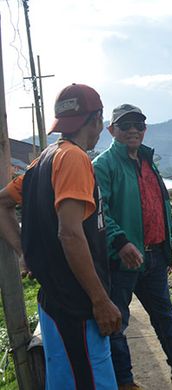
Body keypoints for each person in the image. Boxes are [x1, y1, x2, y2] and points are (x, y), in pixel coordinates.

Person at [0, 83, 121, 389]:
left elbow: (3, 203)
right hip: (77, 306)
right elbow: (70, 233)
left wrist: (23, 252)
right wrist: (100, 300)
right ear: (95, 120)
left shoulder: (43, 161)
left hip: (53, 301)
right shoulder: (75, 159)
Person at [92, 104, 172, 389]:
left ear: (145, 130)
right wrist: (120, 241)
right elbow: (100, 211)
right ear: (112, 130)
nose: (133, 130)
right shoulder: (103, 165)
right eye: (125, 126)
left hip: (155, 257)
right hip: (122, 260)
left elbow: (162, 205)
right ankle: (124, 382)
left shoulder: (149, 162)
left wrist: (171, 239)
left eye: (139, 125)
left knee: (165, 316)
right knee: (117, 324)